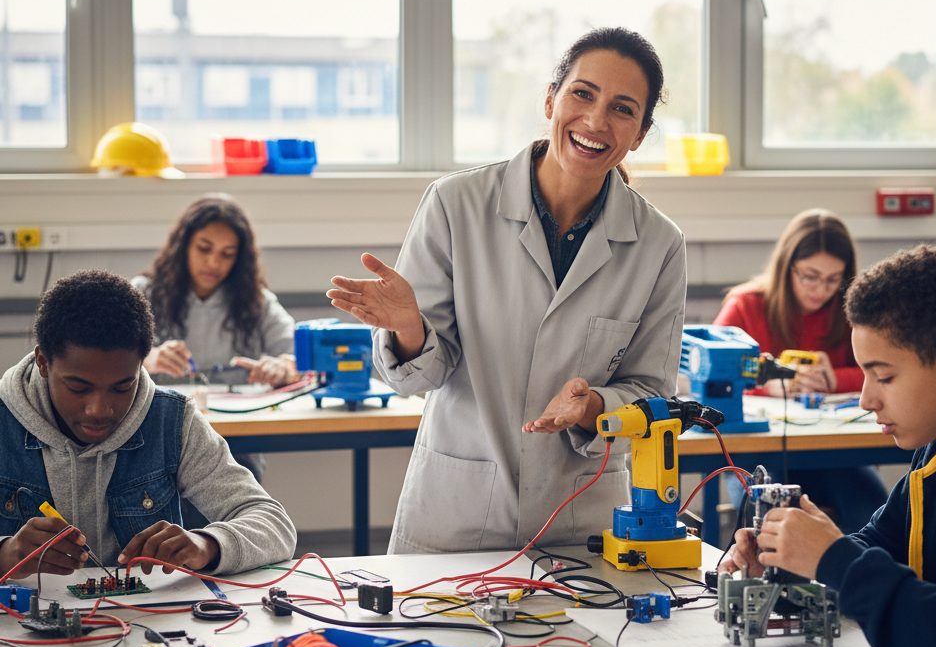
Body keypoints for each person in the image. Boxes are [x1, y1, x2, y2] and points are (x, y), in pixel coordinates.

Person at [327, 28, 686, 553]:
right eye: (582, 94)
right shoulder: (456, 204)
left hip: (579, 521)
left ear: (639, 134)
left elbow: (653, 396)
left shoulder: (659, 244)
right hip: (456, 514)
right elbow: (416, 379)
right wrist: (409, 328)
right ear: (550, 98)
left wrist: (590, 408)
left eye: (623, 109)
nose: (595, 121)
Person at [720, 246, 936, 647]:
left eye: (883, 377)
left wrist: (834, 559)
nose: (865, 400)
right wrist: (792, 554)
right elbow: (871, 547)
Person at [0, 269, 296, 580]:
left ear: (142, 364)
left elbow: (274, 524)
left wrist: (206, 543)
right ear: (43, 362)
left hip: (146, 624)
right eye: (78, 387)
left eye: (121, 387)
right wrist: (6, 554)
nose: (99, 410)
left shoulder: (171, 420)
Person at [713, 209, 887, 532]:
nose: (820, 289)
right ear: (786, 267)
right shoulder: (746, 305)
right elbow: (712, 379)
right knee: (766, 518)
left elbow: (889, 370)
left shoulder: (851, 308)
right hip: (756, 454)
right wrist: (767, 385)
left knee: (875, 512)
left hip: (836, 454)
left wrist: (836, 378)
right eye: (809, 276)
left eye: (834, 279)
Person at [132, 193, 297, 482]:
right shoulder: (145, 293)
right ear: (183, 246)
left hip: (234, 448)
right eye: (204, 248)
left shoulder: (256, 301)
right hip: (159, 444)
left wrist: (282, 366)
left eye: (227, 254)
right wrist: (148, 358)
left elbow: (294, 354)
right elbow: (105, 358)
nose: (213, 262)